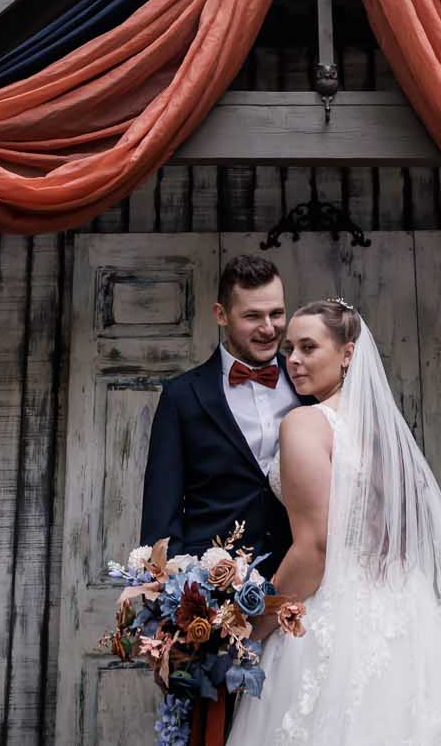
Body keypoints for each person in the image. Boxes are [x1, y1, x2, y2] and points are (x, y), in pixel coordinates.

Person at [228, 299, 441, 746]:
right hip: (411, 627)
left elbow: (315, 549)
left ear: (347, 353)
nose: (292, 361)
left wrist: (253, 626)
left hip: (330, 628)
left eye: (307, 347)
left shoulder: (304, 424)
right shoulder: (388, 438)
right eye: (289, 349)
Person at [139, 254, 310, 742]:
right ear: (221, 315)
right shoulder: (182, 396)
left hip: (304, 590)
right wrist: (166, 619)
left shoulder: (309, 388)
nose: (269, 328)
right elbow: (161, 516)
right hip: (212, 607)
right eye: (252, 315)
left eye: (276, 313)